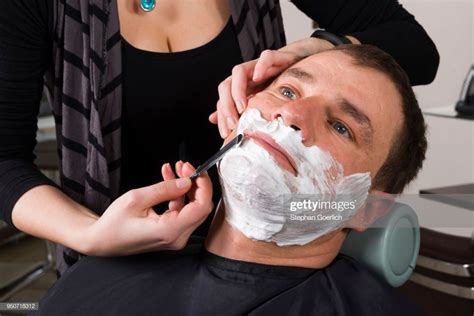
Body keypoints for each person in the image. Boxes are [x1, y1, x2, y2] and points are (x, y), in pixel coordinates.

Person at [0, 0, 438, 275]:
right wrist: (92, 235)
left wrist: (310, 52)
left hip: (269, 266)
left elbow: (415, 48)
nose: (289, 114)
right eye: (286, 92)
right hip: (111, 263)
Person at [35, 45, 428, 315]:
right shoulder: (105, 272)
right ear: (236, 116)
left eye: (341, 127)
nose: (290, 114)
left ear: (369, 208)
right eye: (288, 90)